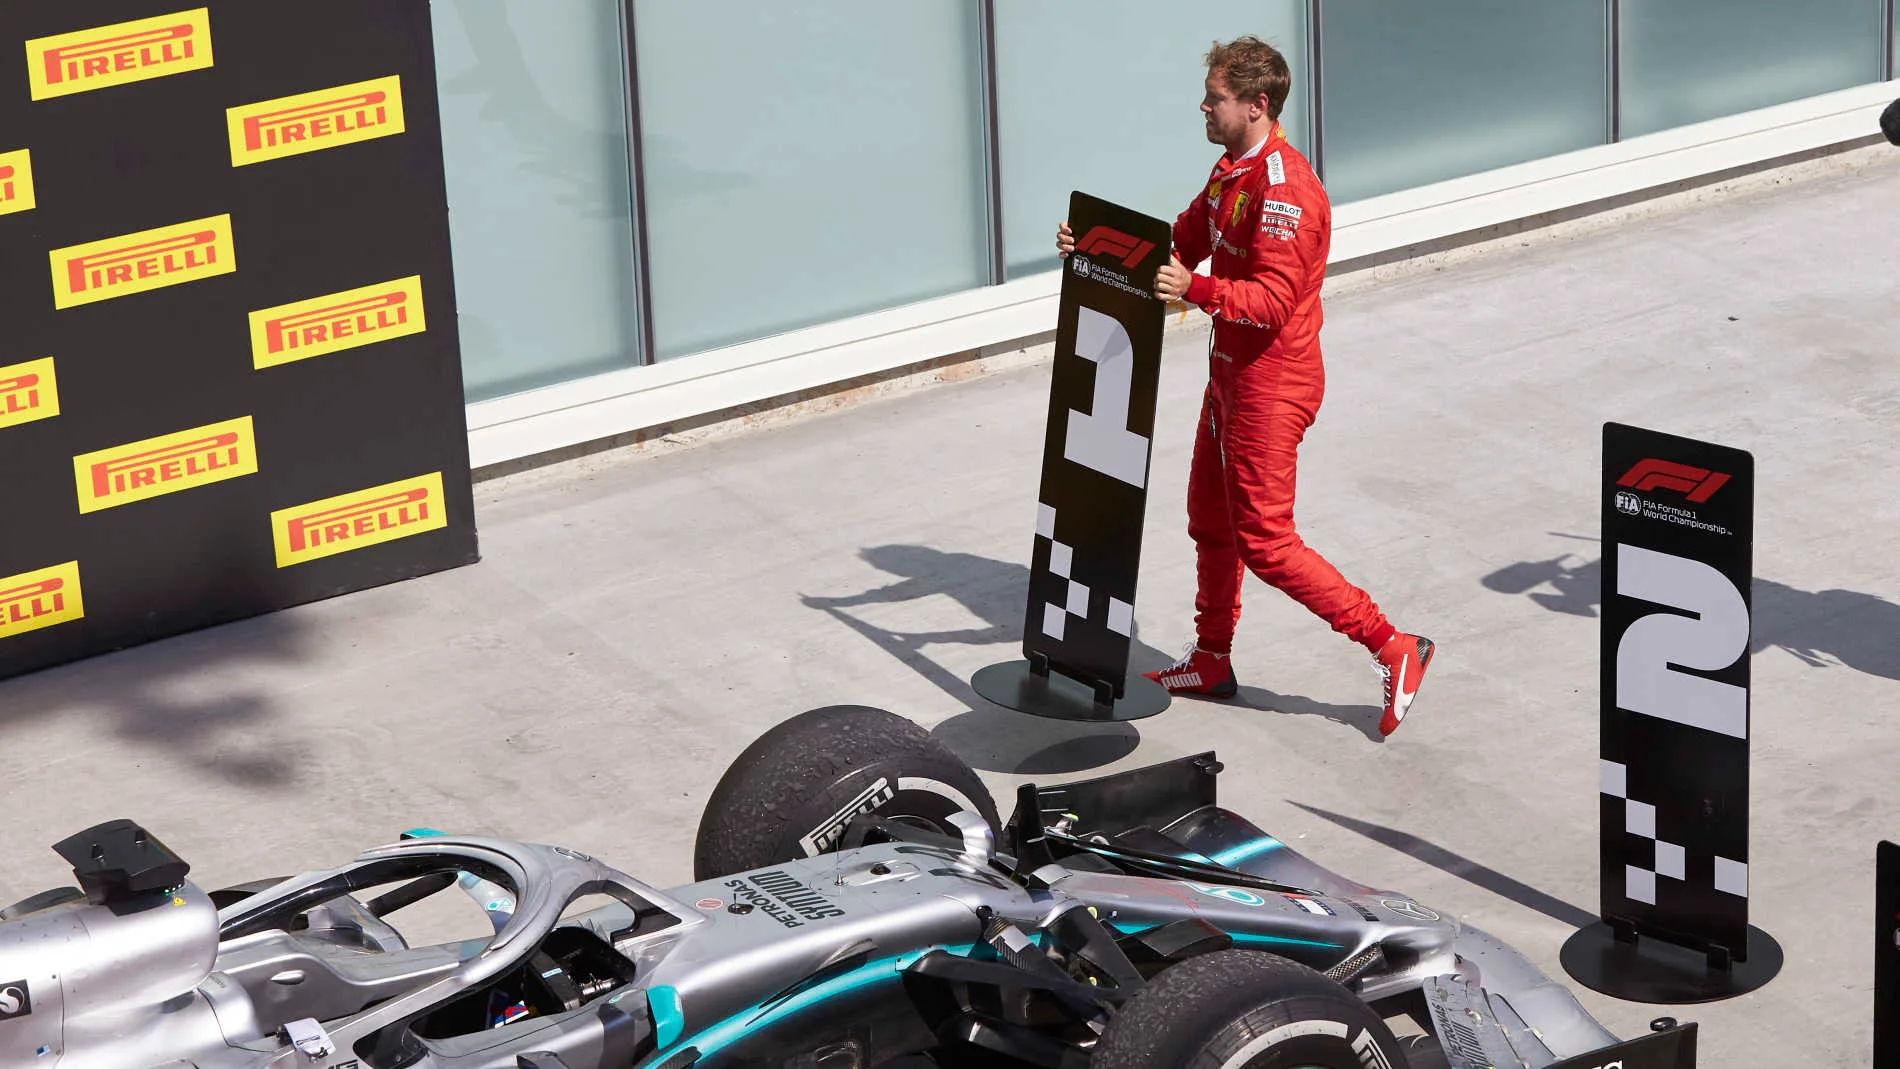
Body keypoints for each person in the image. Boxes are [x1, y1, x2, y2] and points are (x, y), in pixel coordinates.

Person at [1057, 35, 1434, 737]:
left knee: (1265, 540)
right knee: (1208, 516)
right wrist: (1095, 245)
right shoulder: (1231, 170)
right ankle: (1211, 658)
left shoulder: (1287, 192)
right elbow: (1180, 241)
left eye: (1216, 97)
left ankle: (1393, 643)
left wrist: (1194, 289)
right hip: (1229, 374)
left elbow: (1269, 301)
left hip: (1272, 381)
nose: (1203, 105)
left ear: (1257, 105)